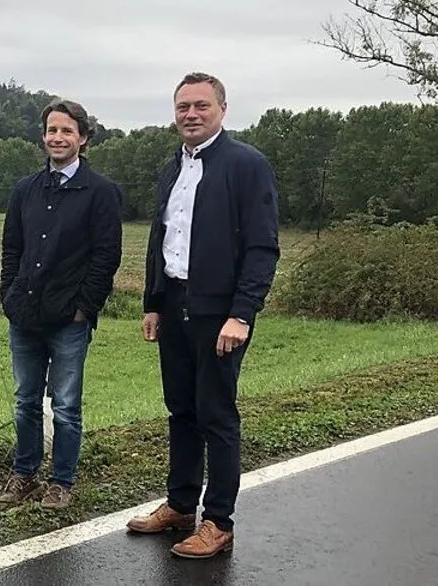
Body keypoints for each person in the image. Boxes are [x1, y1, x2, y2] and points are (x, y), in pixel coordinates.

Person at [126, 72, 280, 558]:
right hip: (174, 306)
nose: (191, 114)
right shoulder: (172, 166)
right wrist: (153, 303)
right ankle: (179, 504)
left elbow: (262, 247)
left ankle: (218, 521)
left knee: (216, 415)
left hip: (221, 313)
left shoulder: (246, 164)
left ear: (222, 110)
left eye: (201, 106)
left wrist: (242, 313)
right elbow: (162, 238)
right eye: (183, 107)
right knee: (182, 412)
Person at [0, 98, 123, 510]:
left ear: (83, 138)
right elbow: (11, 248)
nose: (58, 137)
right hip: (25, 316)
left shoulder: (100, 193)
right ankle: (25, 473)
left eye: (67, 130)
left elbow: (107, 257)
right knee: (25, 401)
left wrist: (84, 307)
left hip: (69, 318)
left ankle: (61, 481)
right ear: (43, 136)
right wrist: (8, 296)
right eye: (52, 130)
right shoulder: (25, 190)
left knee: (66, 405)